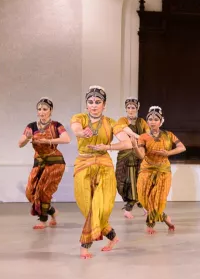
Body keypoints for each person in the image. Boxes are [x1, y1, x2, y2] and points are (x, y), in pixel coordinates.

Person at [70, 86, 132, 259]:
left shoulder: (112, 123)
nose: (94, 105)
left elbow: (127, 144)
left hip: (104, 165)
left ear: (104, 105)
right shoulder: (79, 118)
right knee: (87, 207)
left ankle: (85, 245)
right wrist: (82, 133)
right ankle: (113, 237)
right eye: (90, 102)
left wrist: (108, 146)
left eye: (98, 102)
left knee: (101, 207)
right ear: (86, 105)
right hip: (83, 163)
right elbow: (75, 129)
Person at [18, 97, 70, 229]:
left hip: (55, 162)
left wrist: (48, 141)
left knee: (44, 191)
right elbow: (20, 144)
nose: (42, 112)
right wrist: (28, 138)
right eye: (39, 109)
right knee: (31, 192)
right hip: (39, 161)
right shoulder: (32, 126)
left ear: (50, 111)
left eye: (45, 109)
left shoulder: (56, 125)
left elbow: (66, 139)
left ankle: (43, 220)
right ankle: (52, 211)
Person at [132, 105, 185, 234]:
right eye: (150, 119)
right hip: (146, 170)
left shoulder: (168, 135)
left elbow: (182, 147)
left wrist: (167, 153)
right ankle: (166, 218)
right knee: (144, 200)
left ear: (161, 121)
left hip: (163, 171)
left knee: (158, 200)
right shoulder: (143, 137)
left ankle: (150, 224)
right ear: (147, 121)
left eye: (156, 119)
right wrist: (134, 146)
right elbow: (141, 155)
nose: (153, 122)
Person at [115, 97, 150, 219]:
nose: (131, 110)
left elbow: (148, 134)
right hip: (125, 155)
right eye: (128, 108)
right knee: (125, 182)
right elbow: (126, 131)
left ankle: (131, 207)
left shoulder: (142, 122)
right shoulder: (122, 120)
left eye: (133, 107)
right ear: (126, 109)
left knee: (138, 180)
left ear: (137, 108)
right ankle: (140, 204)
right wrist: (139, 137)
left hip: (139, 154)